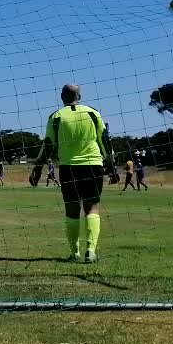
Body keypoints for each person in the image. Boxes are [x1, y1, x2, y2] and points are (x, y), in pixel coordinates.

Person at [29, 84, 111, 263]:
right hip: (93, 165)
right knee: (92, 208)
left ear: (62, 96)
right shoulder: (93, 112)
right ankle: (91, 251)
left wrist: (38, 166)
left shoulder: (56, 116)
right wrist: (111, 163)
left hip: (68, 167)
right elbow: (104, 139)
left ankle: (75, 253)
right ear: (79, 96)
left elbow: (49, 144)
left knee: (72, 209)